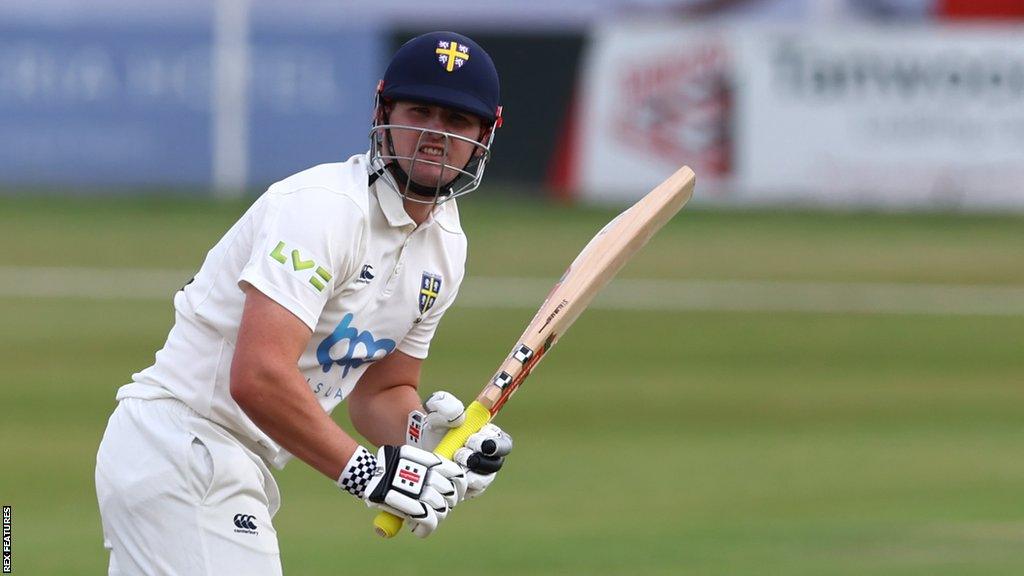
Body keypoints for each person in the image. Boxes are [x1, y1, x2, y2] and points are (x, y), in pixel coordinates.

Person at [95, 31, 512, 575]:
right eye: (420, 112)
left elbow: (381, 389)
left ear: (486, 133)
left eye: (457, 121)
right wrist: (369, 474)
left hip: (233, 463)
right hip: (184, 444)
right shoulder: (322, 209)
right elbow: (258, 375)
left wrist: (429, 440)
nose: (434, 134)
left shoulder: (446, 246)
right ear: (383, 112)